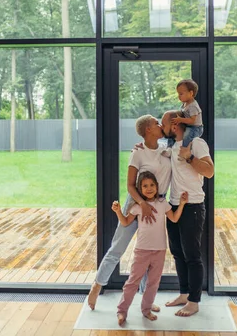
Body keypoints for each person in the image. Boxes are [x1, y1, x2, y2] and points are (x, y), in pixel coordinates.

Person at [87, 115, 172, 310]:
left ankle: (145, 300)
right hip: (136, 202)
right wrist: (142, 203)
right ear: (148, 130)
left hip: (157, 203)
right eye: (156, 122)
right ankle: (96, 286)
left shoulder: (165, 150)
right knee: (118, 247)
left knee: (149, 250)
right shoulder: (138, 153)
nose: (160, 124)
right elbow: (130, 184)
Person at [112, 171, 188, 325]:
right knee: (133, 282)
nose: (149, 188)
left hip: (159, 250)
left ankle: (146, 309)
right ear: (140, 189)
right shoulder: (137, 207)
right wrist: (118, 211)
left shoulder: (163, 204)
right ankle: (122, 311)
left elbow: (174, 218)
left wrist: (181, 204)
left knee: (153, 283)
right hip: (142, 251)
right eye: (145, 186)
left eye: (152, 185)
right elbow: (126, 222)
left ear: (157, 187)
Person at [161, 110, 214, 317]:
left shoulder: (197, 143)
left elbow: (209, 171)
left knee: (192, 256)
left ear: (174, 125)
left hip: (192, 206)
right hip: (174, 206)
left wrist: (189, 157)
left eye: (163, 124)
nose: (161, 127)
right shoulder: (172, 146)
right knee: (177, 253)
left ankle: (194, 301)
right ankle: (184, 294)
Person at [170, 79, 203, 149]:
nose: (179, 96)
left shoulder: (193, 106)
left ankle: (185, 150)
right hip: (187, 125)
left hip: (195, 128)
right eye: (178, 94)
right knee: (173, 133)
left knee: (187, 137)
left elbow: (192, 121)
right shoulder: (185, 104)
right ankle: (170, 147)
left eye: (181, 94)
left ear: (191, 93)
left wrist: (180, 120)